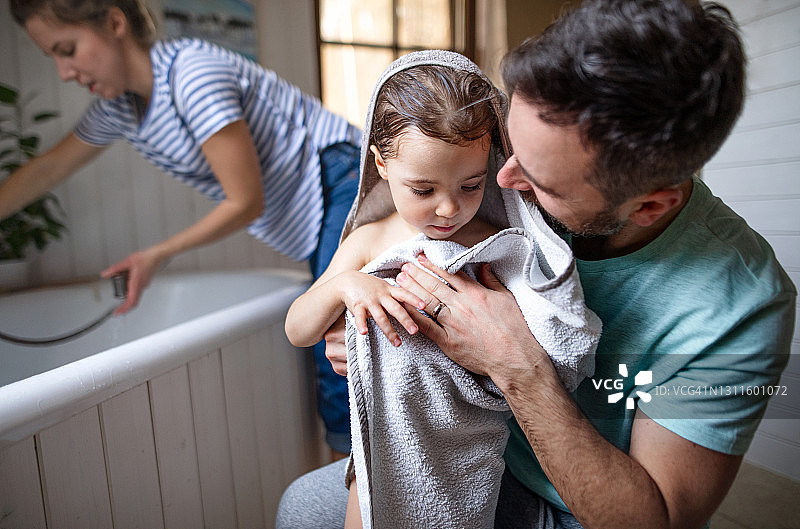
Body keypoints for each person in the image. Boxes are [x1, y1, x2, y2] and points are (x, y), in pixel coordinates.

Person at [276, 1, 796, 528]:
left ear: (648, 206)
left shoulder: (740, 306)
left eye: (540, 182)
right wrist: (371, 341)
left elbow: (651, 521)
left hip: (580, 508)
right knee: (303, 504)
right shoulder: (493, 185)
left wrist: (516, 367)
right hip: (457, 453)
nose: (503, 183)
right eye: (508, 148)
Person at [3, 0, 359, 456]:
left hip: (342, 177)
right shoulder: (119, 110)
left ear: (114, 23)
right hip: (318, 202)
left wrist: (156, 253)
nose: (64, 72)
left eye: (67, 49)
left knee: (335, 347)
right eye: (52, 57)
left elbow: (245, 202)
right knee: (336, 346)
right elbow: (45, 170)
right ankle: (350, 492)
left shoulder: (191, 74)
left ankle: (357, 498)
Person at [285, 60, 500, 529]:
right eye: (423, 189)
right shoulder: (369, 241)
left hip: (467, 448)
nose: (449, 208)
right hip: (385, 442)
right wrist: (346, 284)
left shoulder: (494, 242)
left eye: (471, 185)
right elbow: (299, 329)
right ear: (382, 164)